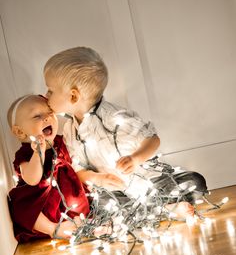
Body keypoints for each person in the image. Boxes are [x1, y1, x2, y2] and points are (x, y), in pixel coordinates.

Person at [44, 47, 207, 219]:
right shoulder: (70, 130)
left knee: (195, 182)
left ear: (73, 96)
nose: (46, 95)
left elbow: (152, 139)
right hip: (116, 192)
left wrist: (135, 158)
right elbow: (79, 170)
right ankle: (166, 210)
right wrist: (97, 178)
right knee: (102, 207)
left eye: (50, 90)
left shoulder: (114, 117)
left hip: (150, 182)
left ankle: (155, 209)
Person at [7, 94, 90, 243]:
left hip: (66, 198)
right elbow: (32, 180)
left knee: (84, 198)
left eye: (49, 112)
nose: (47, 118)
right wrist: (38, 153)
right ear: (20, 132)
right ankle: (52, 229)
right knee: (21, 207)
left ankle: (79, 222)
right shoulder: (25, 153)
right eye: (37, 116)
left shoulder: (60, 140)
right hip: (41, 201)